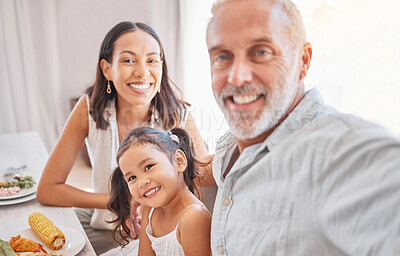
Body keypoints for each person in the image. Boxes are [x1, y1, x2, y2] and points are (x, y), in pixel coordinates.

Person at [205, 0, 400, 255]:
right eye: (222, 56)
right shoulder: (229, 149)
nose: (237, 76)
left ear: (303, 61)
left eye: (261, 52)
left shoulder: (346, 151)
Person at [36, 21, 208, 255]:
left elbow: (201, 174)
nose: (142, 72)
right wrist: (120, 200)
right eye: (128, 60)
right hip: (104, 224)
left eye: (152, 60)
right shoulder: (89, 109)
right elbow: (48, 189)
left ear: (162, 65)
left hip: (158, 229)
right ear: (107, 69)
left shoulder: (178, 115)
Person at [107, 127, 211, 256]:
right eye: (132, 178)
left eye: (148, 167)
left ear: (179, 161)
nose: (141, 182)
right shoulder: (150, 210)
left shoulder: (194, 217)